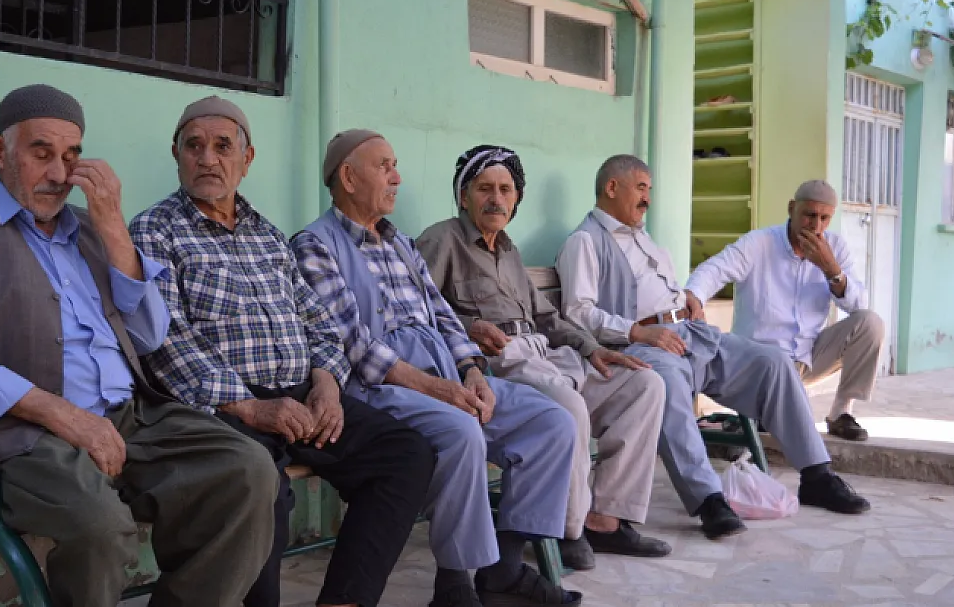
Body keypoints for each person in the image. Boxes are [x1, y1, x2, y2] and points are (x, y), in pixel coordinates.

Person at [0, 84, 277, 607]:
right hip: (18, 433)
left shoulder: (89, 233)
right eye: (41, 153)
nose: (59, 174)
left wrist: (113, 229)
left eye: (71, 156)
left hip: (128, 418)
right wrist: (61, 414)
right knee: (99, 524)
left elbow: (149, 334)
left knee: (248, 469)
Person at [129, 97, 435, 607]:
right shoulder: (154, 231)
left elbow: (319, 322)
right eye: (194, 147)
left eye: (223, 147)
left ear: (246, 160)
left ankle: (344, 600)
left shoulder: (267, 235)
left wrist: (327, 384)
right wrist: (251, 406)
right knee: (260, 485)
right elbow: (165, 342)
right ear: (176, 155)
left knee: (406, 455)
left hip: (302, 398)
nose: (208, 159)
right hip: (223, 408)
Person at [292, 130, 582, 607]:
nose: (397, 177)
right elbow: (354, 347)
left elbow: (444, 316)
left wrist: (469, 372)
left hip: (445, 374)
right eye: (385, 166)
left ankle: (505, 570)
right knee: (461, 430)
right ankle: (454, 584)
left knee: (551, 422)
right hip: (380, 387)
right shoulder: (314, 246)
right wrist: (440, 390)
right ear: (348, 176)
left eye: (395, 165)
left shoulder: (400, 244)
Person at [555, 154, 871, 541]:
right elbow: (577, 313)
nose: (648, 199)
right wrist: (638, 333)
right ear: (611, 188)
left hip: (690, 334)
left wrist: (689, 300)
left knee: (772, 362)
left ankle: (816, 474)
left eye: (649, 190)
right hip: (642, 346)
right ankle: (708, 499)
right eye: (641, 188)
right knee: (664, 383)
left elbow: (673, 289)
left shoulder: (643, 238)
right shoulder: (585, 242)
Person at [415, 144, 670, 570]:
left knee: (646, 385)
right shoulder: (441, 240)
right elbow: (418, 313)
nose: (496, 199)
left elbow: (546, 316)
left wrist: (593, 348)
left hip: (547, 354)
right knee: (567, 406)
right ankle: (569, 530)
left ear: (516, 198)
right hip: (497, 364)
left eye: (506, 190)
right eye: (485, 189)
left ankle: (606, 519)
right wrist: (467, 328)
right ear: (464, 196)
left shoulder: (509, 250)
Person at [686, 179, 883, 442]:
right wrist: (694, 296)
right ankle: (761, 412)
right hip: (760, 360)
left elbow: (858, 305)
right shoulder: (760, 243)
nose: (816, 226)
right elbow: (715, 269)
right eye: (810, 215)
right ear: (792, 209)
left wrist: (832, 270)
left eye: (825, 218)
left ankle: (841, 413)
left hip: (808, 356)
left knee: (871, 323)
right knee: (788, 426)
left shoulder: (835, 248)